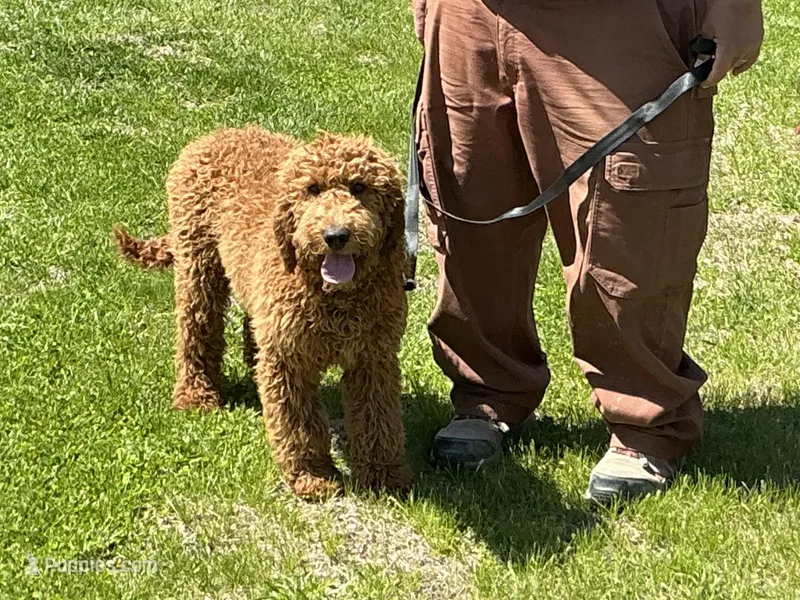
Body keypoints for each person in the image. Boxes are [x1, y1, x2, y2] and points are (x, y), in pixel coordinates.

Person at [411, 0, 763, 502]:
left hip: (621, 17)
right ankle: (488, 392)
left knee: (627, 224)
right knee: (469, 199)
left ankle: (644, 420)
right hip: (472, 11)